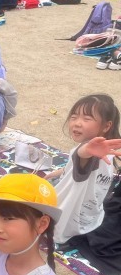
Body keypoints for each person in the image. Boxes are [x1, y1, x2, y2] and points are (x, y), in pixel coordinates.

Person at [50, 95, 121, 252]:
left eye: (87, 119)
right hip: (90, 217)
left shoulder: (90, 153)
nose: (77, 123)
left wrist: (85, 151)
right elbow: (74, 167)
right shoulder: (105, 152)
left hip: (67, 217)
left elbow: (82, 157)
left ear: (106, 126)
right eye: (74, 117)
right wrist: (54, 174)